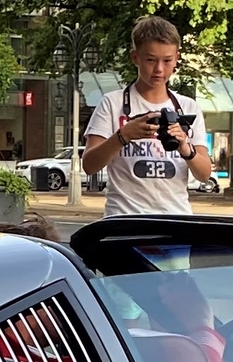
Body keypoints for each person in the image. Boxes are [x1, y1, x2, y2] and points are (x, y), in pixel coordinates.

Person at [81, 15, 215, 218]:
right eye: (151, 60)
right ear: (135, 57)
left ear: (177, 58)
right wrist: (123, 136)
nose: (159, 69)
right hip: (124, 220)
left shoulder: (188, 107)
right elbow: (89, 165)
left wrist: (184, 146)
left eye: (167, 60)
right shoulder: (112, 103)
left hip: (175, 220)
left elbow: (204, 174)